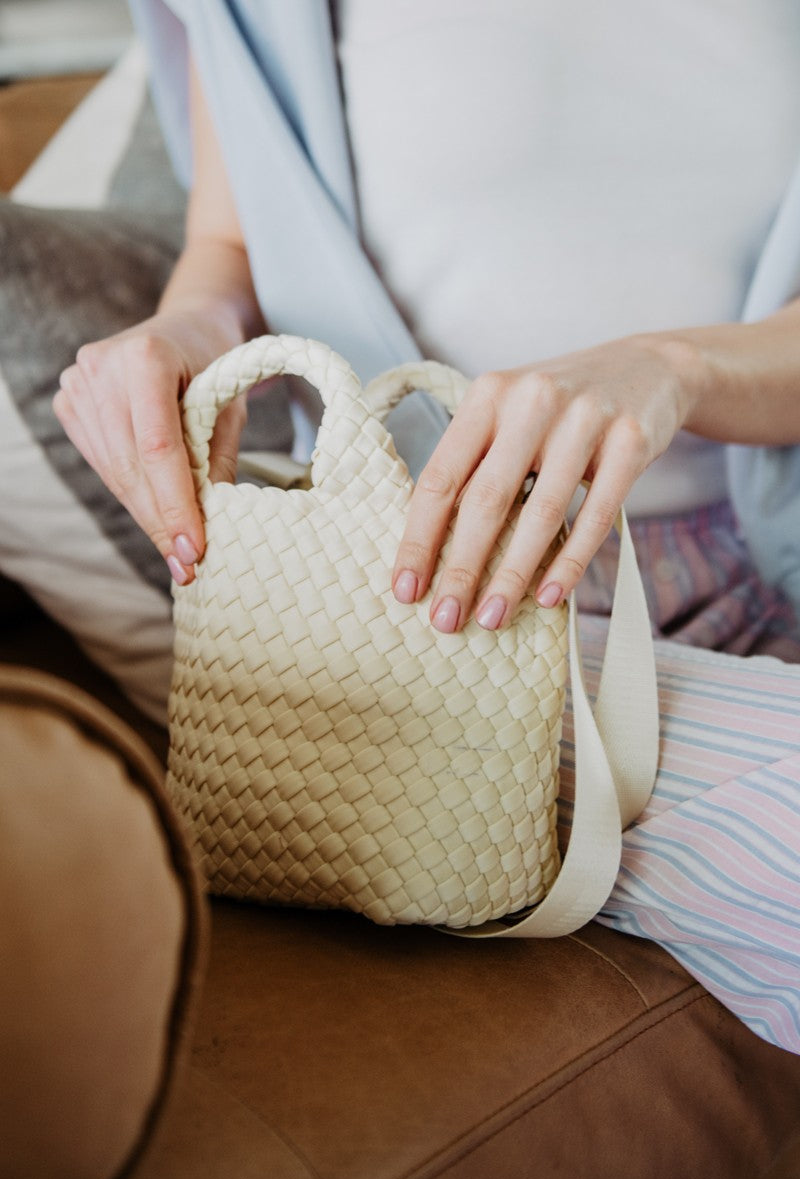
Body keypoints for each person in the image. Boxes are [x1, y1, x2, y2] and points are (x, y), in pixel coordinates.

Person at [49, 0, 800, 1052]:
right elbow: (229, 243)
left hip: (769, 551)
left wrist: (675, 368)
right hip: (447, 609)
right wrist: (185, 331)